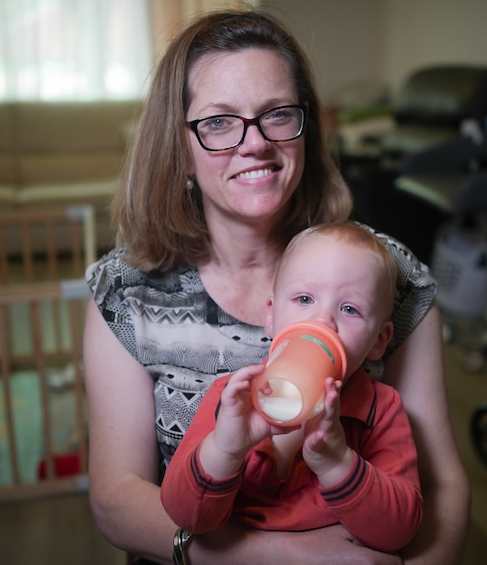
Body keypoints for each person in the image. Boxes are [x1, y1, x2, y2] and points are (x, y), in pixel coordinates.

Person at [83, 8, 470, 565]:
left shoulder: (392, 276)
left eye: (277, 114)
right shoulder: (126, 293)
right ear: (180, 148)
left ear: (306, 128)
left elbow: (443, 489)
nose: (255, 143)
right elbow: (116, 500)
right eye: (218, 122)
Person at [162, 222, 422, 553]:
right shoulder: (233, 399)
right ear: (271, 316)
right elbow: (186, 517)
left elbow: (399, 531)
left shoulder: (380, 411)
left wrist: (336, 462)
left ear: (378, 341)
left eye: (350, 309)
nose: (322, 320)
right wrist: (225, 449)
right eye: (304, 298)